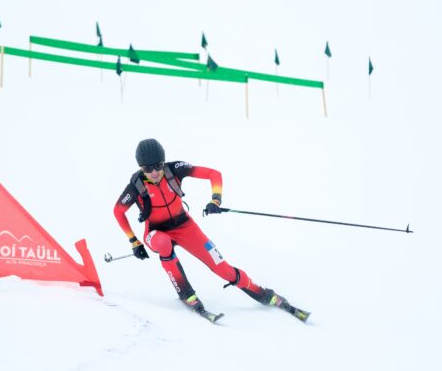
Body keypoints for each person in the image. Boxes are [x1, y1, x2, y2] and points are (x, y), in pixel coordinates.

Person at [113, 138, 308, 321]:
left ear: (163, 163)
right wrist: (134, 241)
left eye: (158, 166)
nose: (154, 172)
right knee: (164, 244)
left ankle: (263, 293)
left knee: (222, 267)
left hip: (184, 225)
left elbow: (213, 174)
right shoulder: (136, 186)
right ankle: (186, 294)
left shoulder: (175, 170)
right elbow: (118, 211)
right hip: (155, 232)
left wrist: (215, 199)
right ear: (140, 167)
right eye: (148, 168)